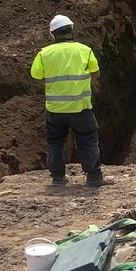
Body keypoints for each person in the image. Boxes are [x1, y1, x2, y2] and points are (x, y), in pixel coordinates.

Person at [31, 14, 103, 190]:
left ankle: (57, 179)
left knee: (55, 142)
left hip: (55, 110)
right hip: (80, 108)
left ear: (53, 34)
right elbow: (96, 73)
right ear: (71, 30)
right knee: (87, 141)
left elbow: (36, 75)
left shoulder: (44, 53)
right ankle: (93, 178)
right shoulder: (84, 50)